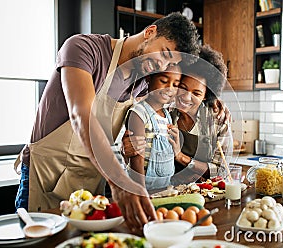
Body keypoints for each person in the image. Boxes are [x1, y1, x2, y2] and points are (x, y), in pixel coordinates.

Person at [14, 12, 200, 231]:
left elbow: (173, 96)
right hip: (47, 174)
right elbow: (81, 115)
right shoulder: (84, 49)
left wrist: (214, 103)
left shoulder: (140, 82)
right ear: (150, 32)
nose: (162, 65)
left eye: (170, 62)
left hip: (89, 181)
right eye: (165, 53)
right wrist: (119, 181)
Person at [122, 45, 233, 185]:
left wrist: (180, 156)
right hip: (166, 190)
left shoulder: (217, 119)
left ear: (206, 96)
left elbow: (221, 170)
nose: (186, 97)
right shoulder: (164, 111)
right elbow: (139, 157)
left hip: (204, 191)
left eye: (197, 93)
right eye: (182, 87)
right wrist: (127, 150)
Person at [125, 66, 181, 191]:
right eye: (163, 81)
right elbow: (137, 158)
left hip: (164, 188)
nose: (169, 89)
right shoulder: (139, 113)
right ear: (149, 77)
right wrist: (141, 191)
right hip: (143, 187)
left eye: (175, 84)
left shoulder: (167, 115)